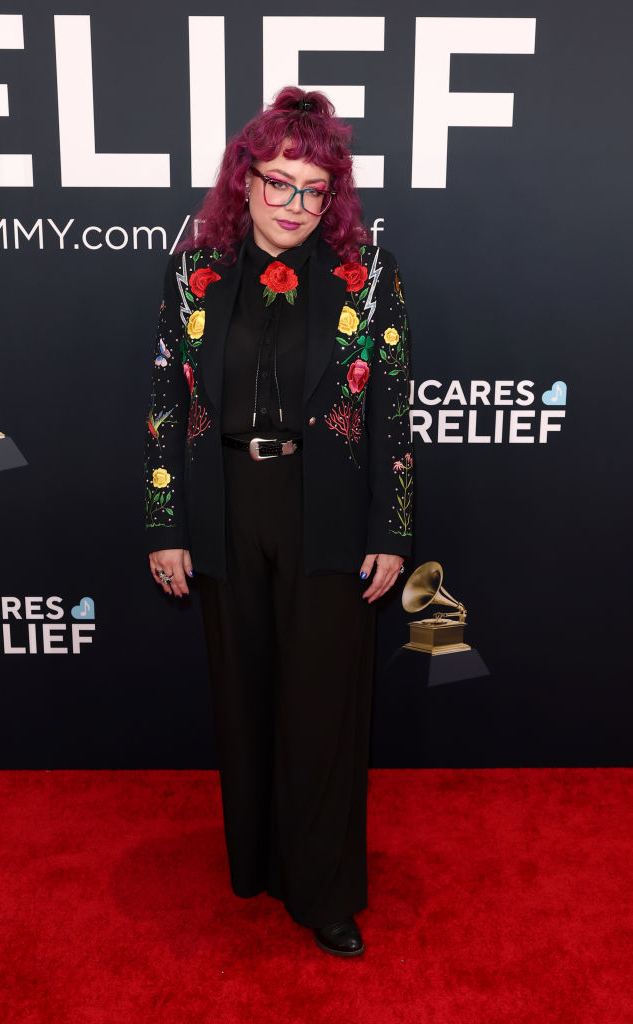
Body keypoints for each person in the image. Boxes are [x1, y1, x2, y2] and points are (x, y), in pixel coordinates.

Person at [144, 87, 414, 957]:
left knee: (324, 709)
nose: (294, 205)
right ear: (245, 181)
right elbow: (165, 400)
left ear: (333, 196)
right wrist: (164, 524)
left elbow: (394, 413)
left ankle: (325, 890)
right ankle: (257, 865)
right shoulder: (192, 273)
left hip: (329, 512)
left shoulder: (366, 276)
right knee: (246, 694)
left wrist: (392, 529)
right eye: (278, 183)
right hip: (226, 504)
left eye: (313, 189)